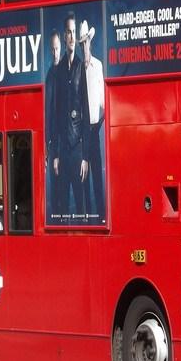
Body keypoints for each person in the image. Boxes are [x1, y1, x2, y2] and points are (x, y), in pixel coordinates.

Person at [52, 12, 90, 218]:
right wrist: (56, 154)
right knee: (63, 206)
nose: (72, 36)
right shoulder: (58, 71)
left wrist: (85, 157)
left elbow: (86, 109)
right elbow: (57, 113)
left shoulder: (81, 67)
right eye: (69, 32)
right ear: (65, 36)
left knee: (81, 204)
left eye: (74, 32)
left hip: (77, 147)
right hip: (63, 148)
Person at [80, 20, 105, 218]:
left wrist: (97, 125)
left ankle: (100, 214)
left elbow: (103, 102)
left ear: (90, 41)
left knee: (97, 174)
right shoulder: (77, 70)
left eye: (85, 41)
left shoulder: (98, 66)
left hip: (94, 128)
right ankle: (87, 215)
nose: (83, 46)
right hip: (82, 130)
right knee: (83, 177)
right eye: (81, 43)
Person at [44, 30, 62, 214]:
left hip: (67, 142)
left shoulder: (66, 71)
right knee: (56, 191)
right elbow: (47, 112)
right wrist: (48, 148)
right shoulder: (50, 76)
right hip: (54, 142)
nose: (56, 53)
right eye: (53, 49)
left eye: (58, 49)